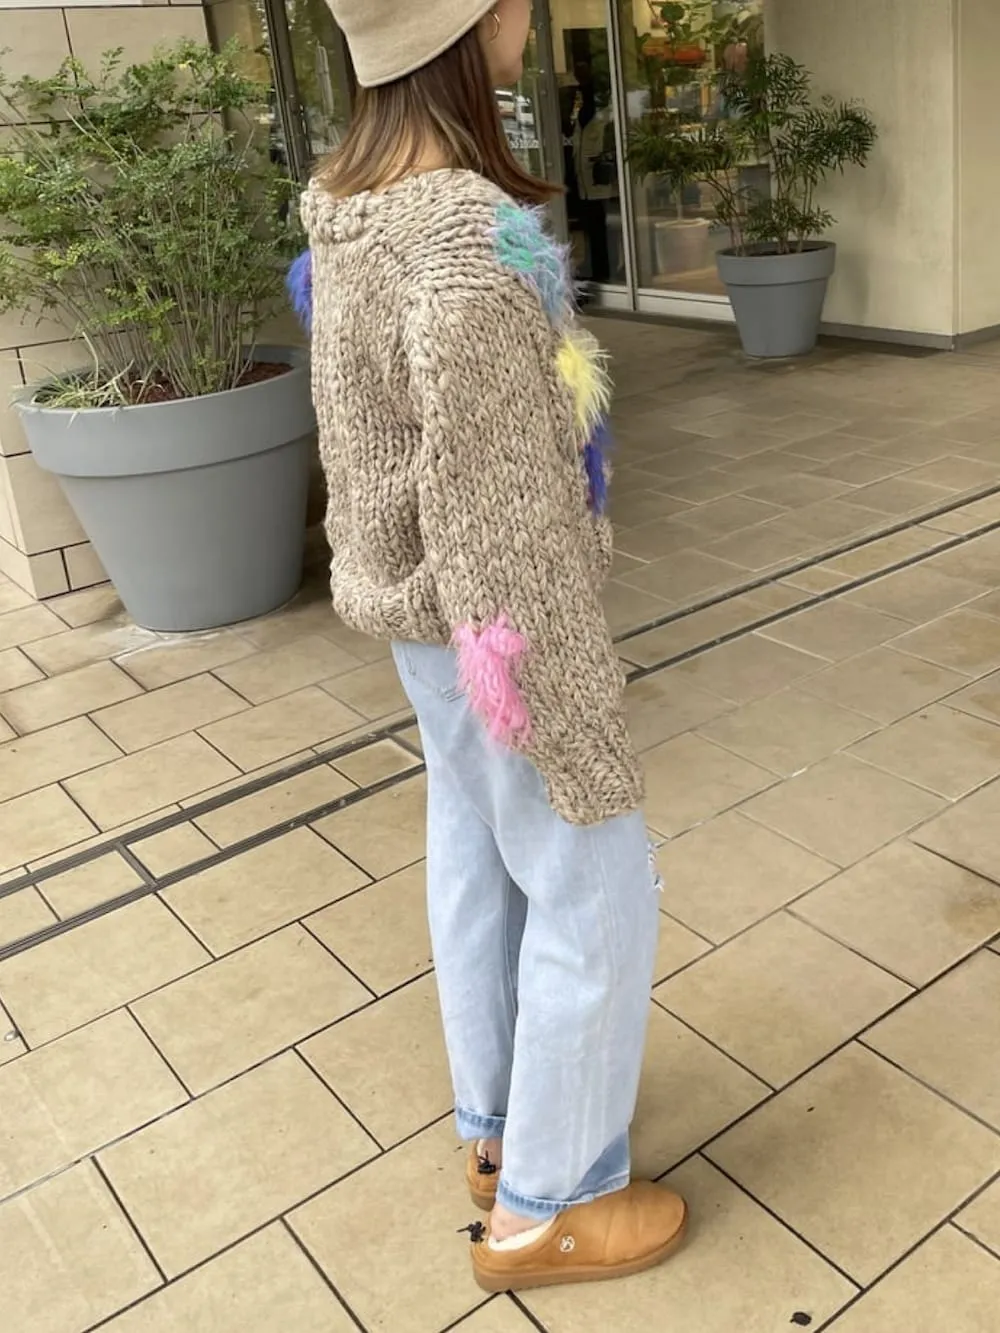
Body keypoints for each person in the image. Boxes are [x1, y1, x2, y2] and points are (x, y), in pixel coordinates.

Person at [291, 0, 687, 1294]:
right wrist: (563, 700)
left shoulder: (349, 203)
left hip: (422, 621)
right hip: (493, 631)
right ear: (470, 25)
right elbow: (501, 512)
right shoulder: (465, 238)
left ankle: (499, 1127)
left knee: (475, 851)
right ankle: (551, 1207)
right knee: (596, 877)